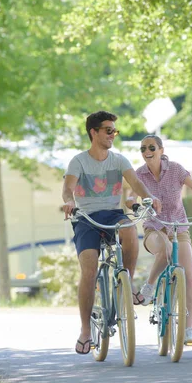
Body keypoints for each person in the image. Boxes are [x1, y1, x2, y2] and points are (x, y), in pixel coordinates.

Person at [62, 111, 161, 355]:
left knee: (129, 227)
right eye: (108, 130)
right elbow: (68, 188)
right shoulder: (79, 161)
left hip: (112, 214)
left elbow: (136, 184)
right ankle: (86, 331)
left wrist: (150, 197)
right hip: (85, 218)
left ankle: (125, 284)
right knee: (88, 269)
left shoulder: (119, 160)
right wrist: (69, 202)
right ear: (93, 132)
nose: (112, 135)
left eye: (114, 131)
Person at [126, 135, 192, 347]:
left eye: (151, 147)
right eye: (143, 148)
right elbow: (130, 197)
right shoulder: (139, 174)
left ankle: (188, 329)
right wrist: (136, 206)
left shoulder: (176, 169)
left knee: (189, 275)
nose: (147, 151)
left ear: (160, 149)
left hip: (178, 227)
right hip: (154, 228)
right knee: (165, 249)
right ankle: (149, 286)